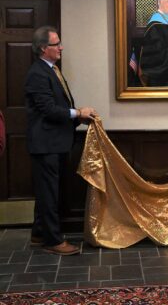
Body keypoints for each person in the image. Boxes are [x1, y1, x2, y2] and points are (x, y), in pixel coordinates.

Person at [25, 26, 97, 255]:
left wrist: (79, 117)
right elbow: (48, 109)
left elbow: (58, 106)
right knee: (49, 194)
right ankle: (53, 241)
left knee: (48, 191)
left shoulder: (51, 69)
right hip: (46, 145)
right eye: (57, 44)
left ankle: (39, 233)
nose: (61, 47)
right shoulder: (37, 73)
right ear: (44, 48)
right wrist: (78, 113)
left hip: (55, 142)